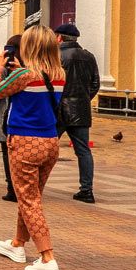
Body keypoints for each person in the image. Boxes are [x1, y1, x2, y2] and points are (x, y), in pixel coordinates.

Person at [0, 26, 68, 270]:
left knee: (30, 200)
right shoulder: (58, 73)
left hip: (24, 142)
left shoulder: (24, 74)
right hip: (50, 142)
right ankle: (18, 243)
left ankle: (47, 257)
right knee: (30, 196)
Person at [55, 23, 101, 204]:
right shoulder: (89, 56)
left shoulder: (56, 55)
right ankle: (86, 190)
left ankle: (35, 184)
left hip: (58, 110)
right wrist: (83, 99)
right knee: (83, 151)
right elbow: (95, 84)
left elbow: (51, 81)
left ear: (59, 38)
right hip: (81, 111)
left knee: (46, 146)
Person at [0, 35, 22, 203]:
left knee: (7, 154)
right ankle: (24, 187)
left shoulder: (4, 70)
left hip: (6, 118)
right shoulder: (30, 69)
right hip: (25, 122)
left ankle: (12, 188)